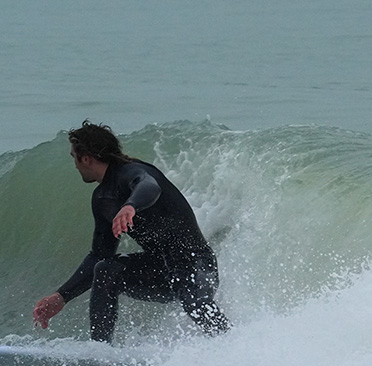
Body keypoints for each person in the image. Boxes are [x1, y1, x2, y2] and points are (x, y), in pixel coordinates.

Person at [33, 121, 230, 343]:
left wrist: (130, 206)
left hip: (197, 264)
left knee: (194, 301)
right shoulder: (102, 199)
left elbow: (150, 186)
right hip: (161, 270)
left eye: (74, 157)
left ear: (85, 158)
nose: (75, 165)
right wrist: (61, 297)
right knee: (106, 270)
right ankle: (100, 350)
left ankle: (231, 343)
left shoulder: (133, 171)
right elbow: (100, 255)